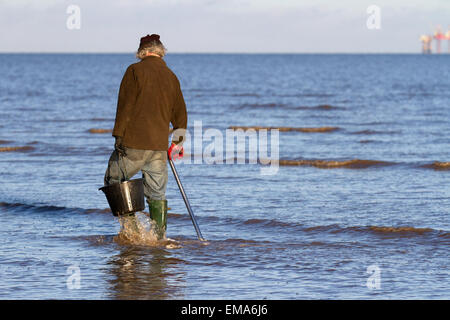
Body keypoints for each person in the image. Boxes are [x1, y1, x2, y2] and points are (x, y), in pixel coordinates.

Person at [104, 34, 187, 239]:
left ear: (142, 52)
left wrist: (118, 138)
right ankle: (158, 239)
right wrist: (178, 142)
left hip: (133, 142)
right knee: (157, 194)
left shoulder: (134, 71)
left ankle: (132, 233)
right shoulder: (171, 76)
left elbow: (125, 107)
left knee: (114, 180)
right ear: (160, 51)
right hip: (158, 146)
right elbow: (180, 113)